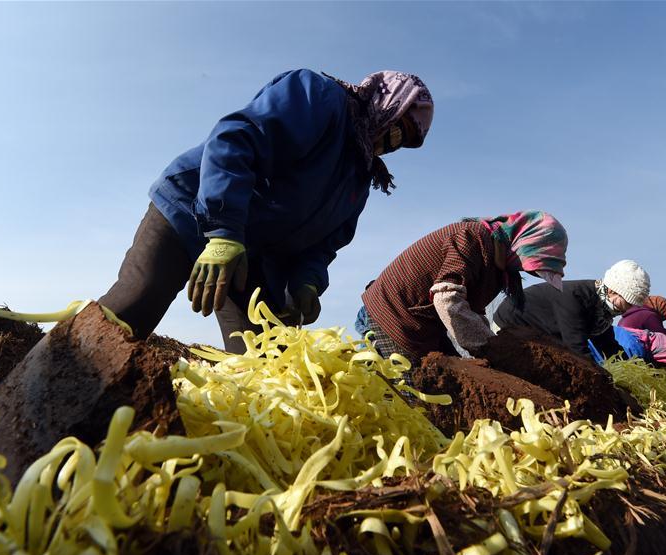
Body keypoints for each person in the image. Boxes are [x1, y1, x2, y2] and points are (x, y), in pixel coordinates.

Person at [99, 69, 434, 352]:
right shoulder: (319, 97)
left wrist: (307, 283)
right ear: (384, 102)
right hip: (190, 207)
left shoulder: (359, 179)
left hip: (254, 253)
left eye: (400, 142)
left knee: (267, 360)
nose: (388, 144)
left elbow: (323, 245)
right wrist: (224, 232)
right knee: (133, 307)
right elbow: (237, 139)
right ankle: (53, 391)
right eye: (394, 127)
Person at [355, 211, 568, 363]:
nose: (524, 271)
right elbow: (446, 297)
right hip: (393, 317)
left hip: (424, 326)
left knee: (454, 384)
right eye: (529, 264)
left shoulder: (496, 266)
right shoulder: (471, 238)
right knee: (414, 401)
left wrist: (488, 348)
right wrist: (490, 349)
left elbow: (472, 312)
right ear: (523, 243)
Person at [493, 260, 650, 361]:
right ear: (612, 291)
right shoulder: (577, 298)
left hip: (537, 333)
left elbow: (608, 344)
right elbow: (577, 350)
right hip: (509, 326)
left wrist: (633, 366)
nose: (627, 309)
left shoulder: (599, 310)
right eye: (628, 302)